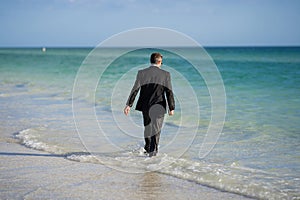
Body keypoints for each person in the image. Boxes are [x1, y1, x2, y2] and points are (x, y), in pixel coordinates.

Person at [124, 52, 175, 157]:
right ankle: (153, 154)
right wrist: (171, 107)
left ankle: (147, 150)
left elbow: (135, 89)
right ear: (159, 62)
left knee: (148, 128)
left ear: (151, 61)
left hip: (145, 106)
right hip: (159, 106)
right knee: (156, 130)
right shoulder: (166, 74)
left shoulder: (142, 73)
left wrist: (129, 104)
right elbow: (169, 91)